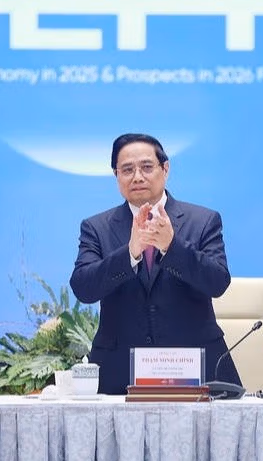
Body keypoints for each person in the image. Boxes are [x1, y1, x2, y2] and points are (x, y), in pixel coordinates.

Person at [69, 133, 241, 394]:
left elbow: (217, 282)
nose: (137, 177)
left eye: (147, 167)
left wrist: (172, 247)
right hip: (119, 373)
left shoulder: (203, 220)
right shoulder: (96, 227)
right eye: (127, 170)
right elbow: (84, 288)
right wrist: (130, 253)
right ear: (116, 175)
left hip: (196, 370)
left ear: (165, 169)